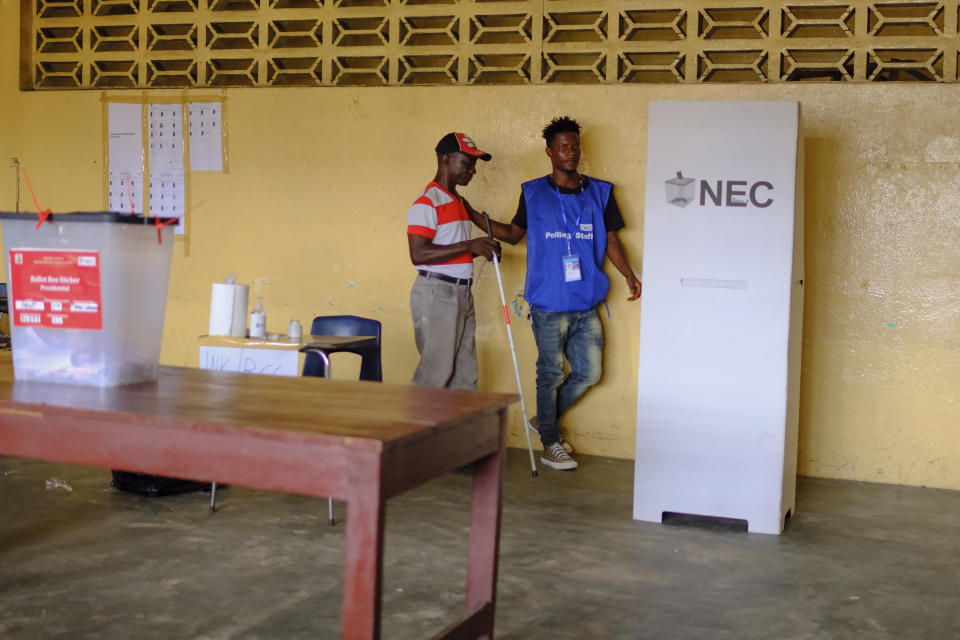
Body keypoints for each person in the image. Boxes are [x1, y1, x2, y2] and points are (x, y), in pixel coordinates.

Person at [467, 116, 641, 470]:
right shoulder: (533, 192)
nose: (571, 153)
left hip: (586, 300)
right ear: (549, 152)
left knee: (589, 372)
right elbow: (515, 234)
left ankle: (544, 421)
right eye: (563, 147)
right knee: (549, 373)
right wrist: (473, 215)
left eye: (575, 146)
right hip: (548, 302)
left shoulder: (600, 192)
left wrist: (629, 275)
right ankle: (550, 441)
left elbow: (610, 239)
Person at [407, 132, 500, 389]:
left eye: (474, 165)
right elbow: (419, 254)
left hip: (461, 292)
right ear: (446, 159)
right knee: (435, 374)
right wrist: (471, 245)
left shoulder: (457, 201)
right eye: (467, 163)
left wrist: (480, 250)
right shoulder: (427, 201)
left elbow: (449, 250)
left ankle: (458, 430)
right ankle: (419, 429)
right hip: (437, 292)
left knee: (465, 375)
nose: (472, 170)